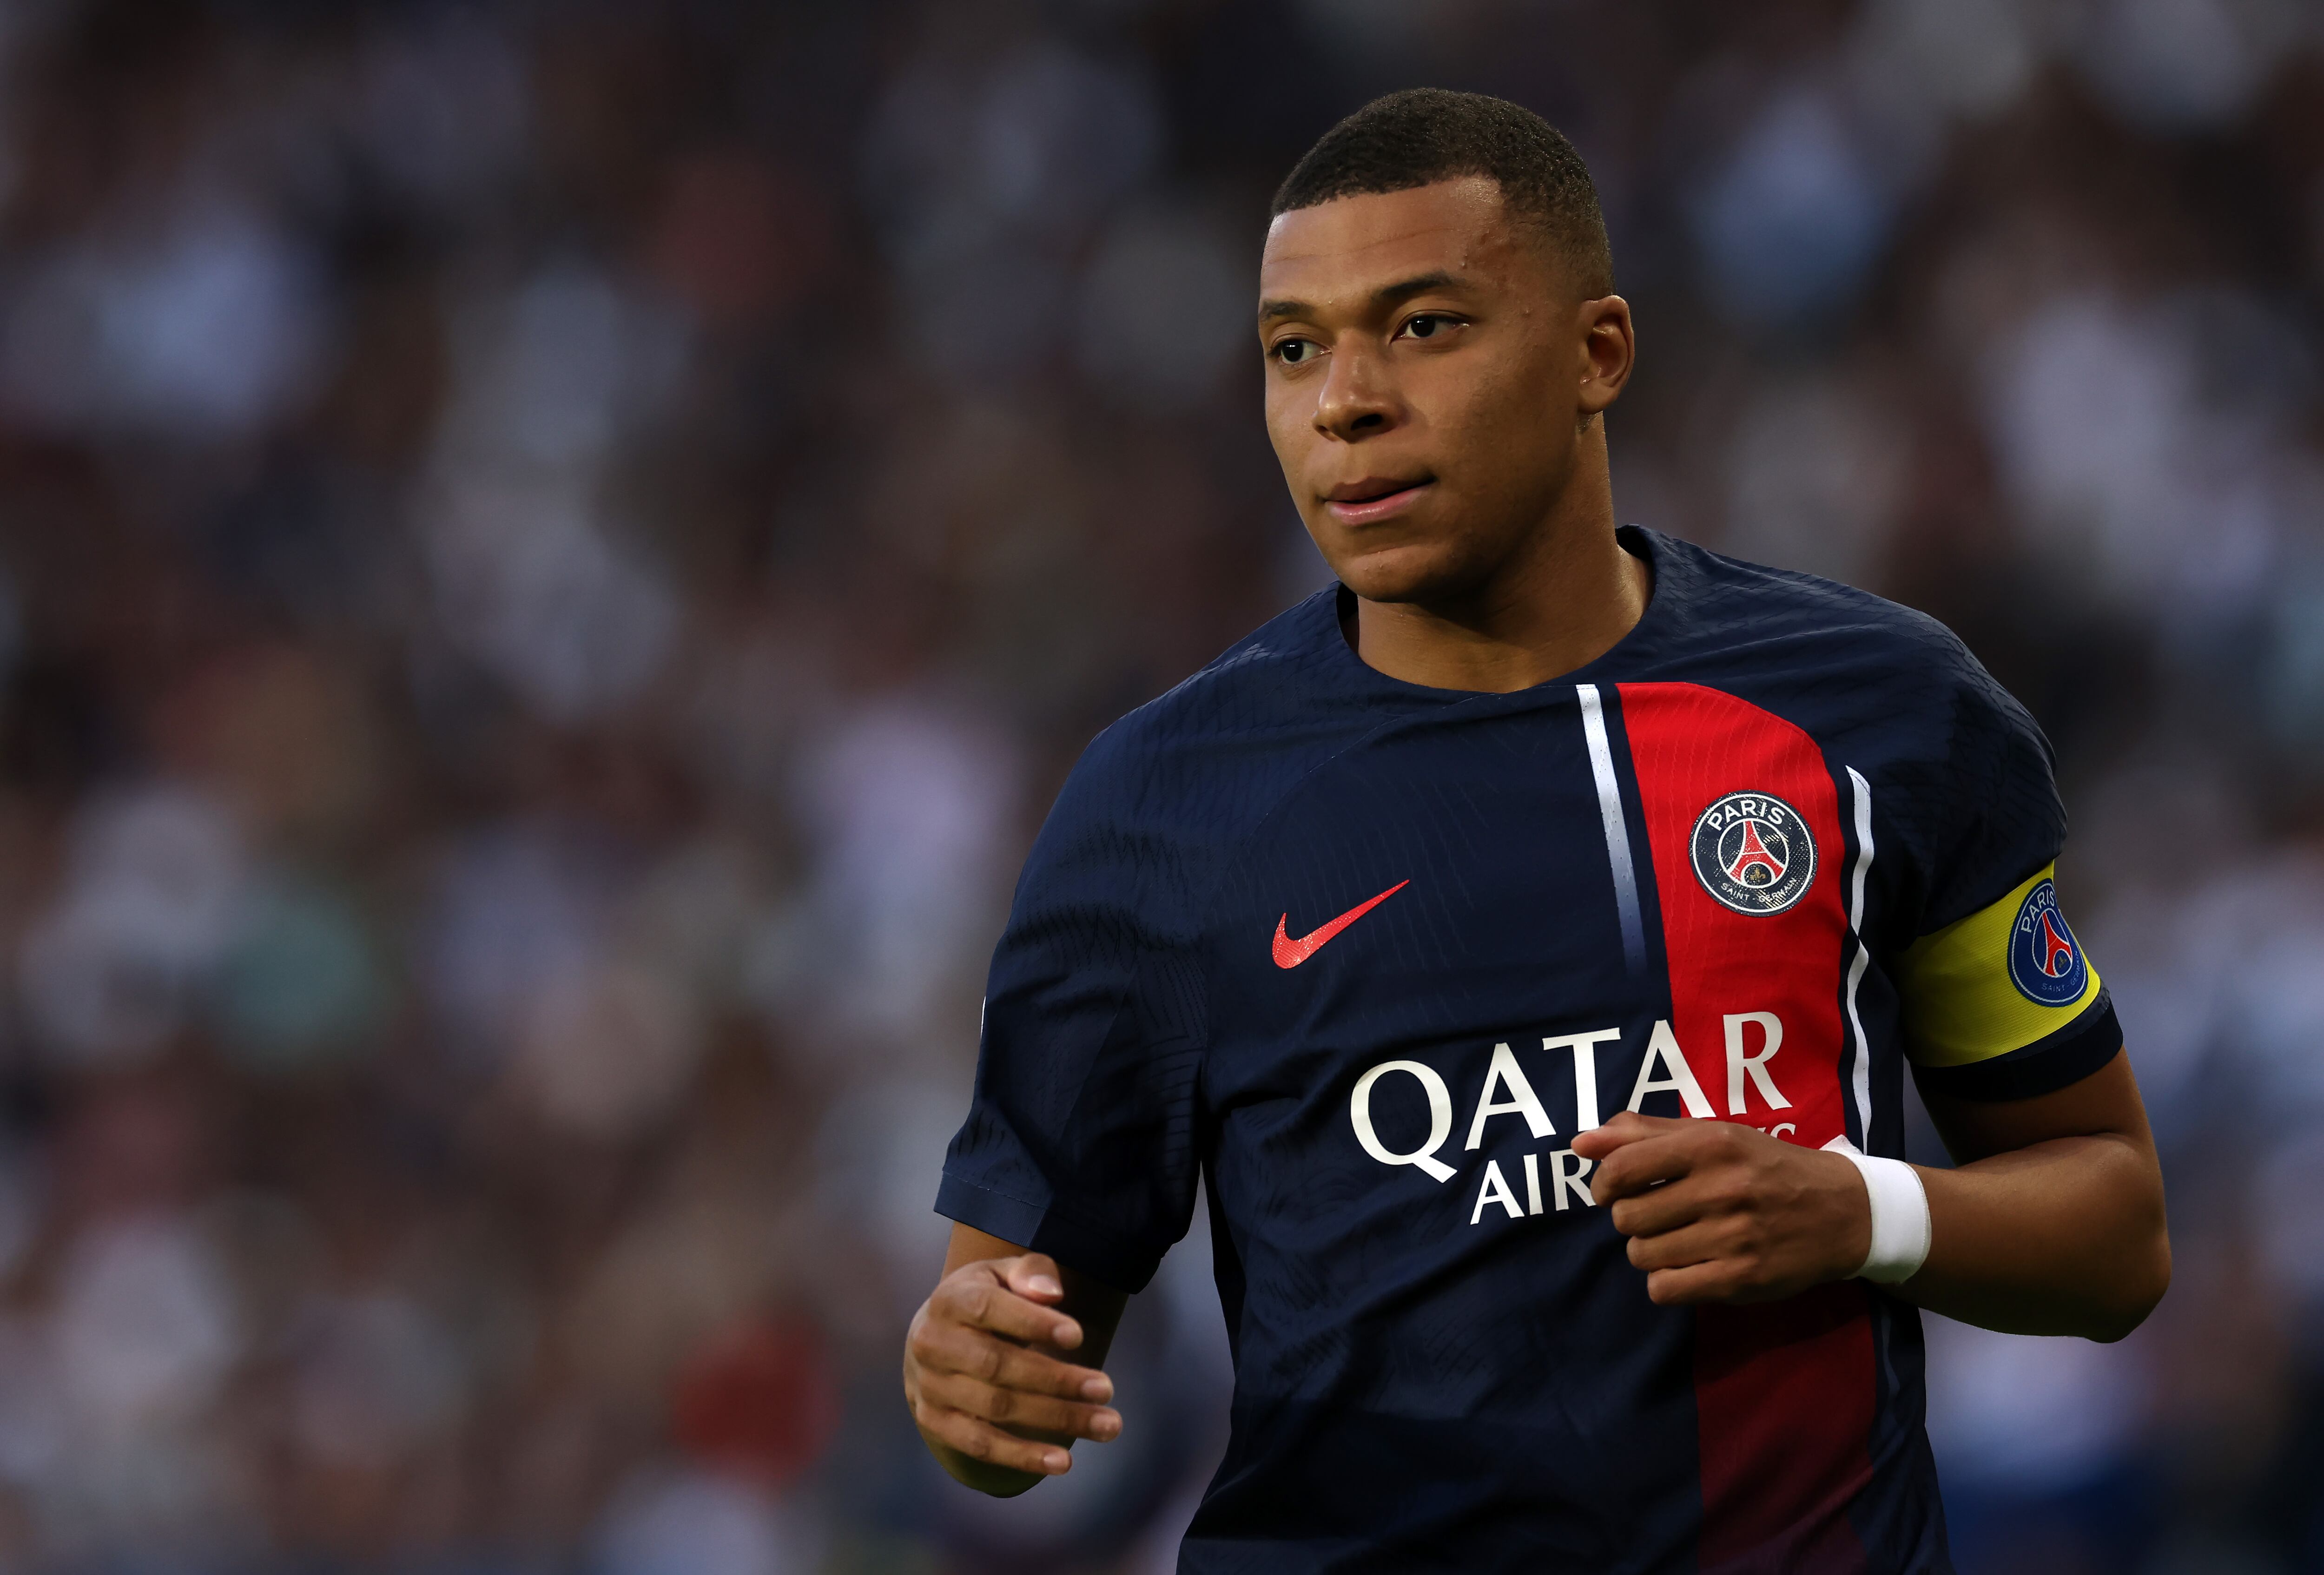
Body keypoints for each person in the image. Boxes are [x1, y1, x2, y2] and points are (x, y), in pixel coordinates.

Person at [901, 88, 2169, 1573]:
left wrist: (1864, 1210)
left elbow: (2116, 1231)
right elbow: (1002, 1386)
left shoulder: (1883, 714)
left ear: (1597, 353)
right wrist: (966, 1381)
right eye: (1293, 348)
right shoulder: (1157, 810)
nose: (1345, 400)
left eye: (1424, 324)